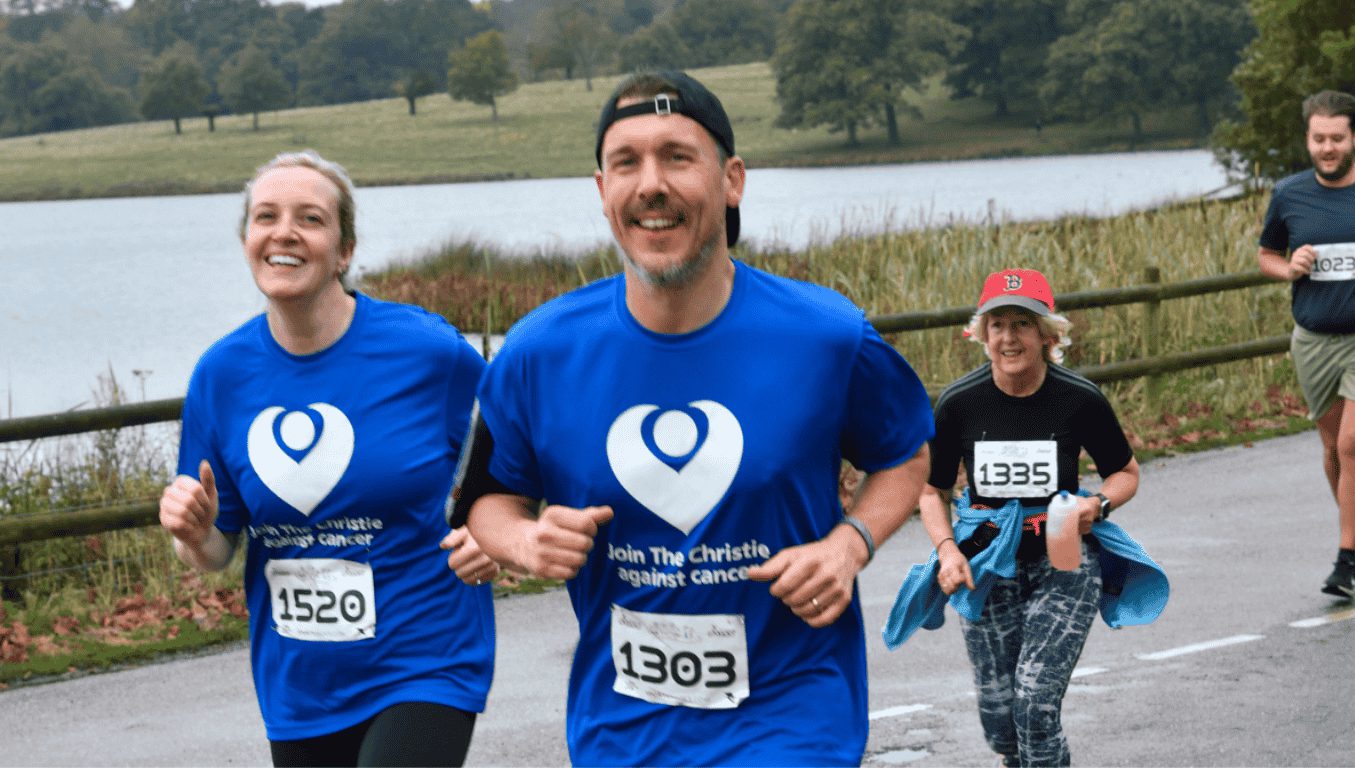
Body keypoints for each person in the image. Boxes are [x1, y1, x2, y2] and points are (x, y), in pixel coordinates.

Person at [456, 71, 934, 766]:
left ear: (732, 179)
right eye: (627, 162)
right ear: (602, 192)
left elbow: (906, 452)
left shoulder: (826, 336)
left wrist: (848, 545)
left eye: (678, 156)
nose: (651, 184)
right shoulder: (537, 352)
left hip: (794, 718)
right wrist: (524, 543)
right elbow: (486, 500)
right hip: (620, 730)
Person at [158, 150, 498, 767]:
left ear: (344, 251)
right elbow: (215, 552)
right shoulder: (222, 374)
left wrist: (495, 527)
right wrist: (195, 532)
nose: (284, 231)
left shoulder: (425, 352)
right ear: (247, 242)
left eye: (309, 218)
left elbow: (517, 443)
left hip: (424, 659)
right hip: (300, 681)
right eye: (266, 216)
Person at [885, 268, 1160, 768]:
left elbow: (1125, 472)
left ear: (1047, 334)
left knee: (1035, 705)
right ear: (981, 333)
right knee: (1002, 720)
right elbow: (931, 490)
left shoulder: (1079, 399)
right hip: (988, 562)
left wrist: (1095, 505)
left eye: (1022, 324)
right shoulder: (959, 403)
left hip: (1063, 562)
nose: (1008, 338)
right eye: (997, 325)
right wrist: (948, 553)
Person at [1257, 89, 1355, 598]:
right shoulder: (1289, 194)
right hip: (1314, 342)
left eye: (1337, 138)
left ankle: (1345, 560)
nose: (1327, 147)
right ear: (1309, 138)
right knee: (1333, 449)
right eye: (1319, 138)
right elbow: (1266, 255)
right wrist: (1290, 267)